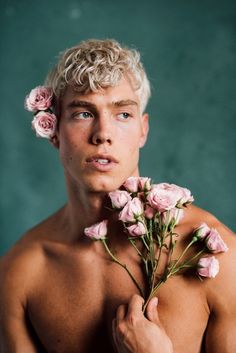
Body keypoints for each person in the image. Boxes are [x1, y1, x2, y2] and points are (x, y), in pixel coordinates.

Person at [0, 39, 235, 353]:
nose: (103, 134)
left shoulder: (213, 255)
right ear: (53, 129)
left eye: (123, 114)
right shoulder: (20, 272)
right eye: (83, 113)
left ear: (143, 130)